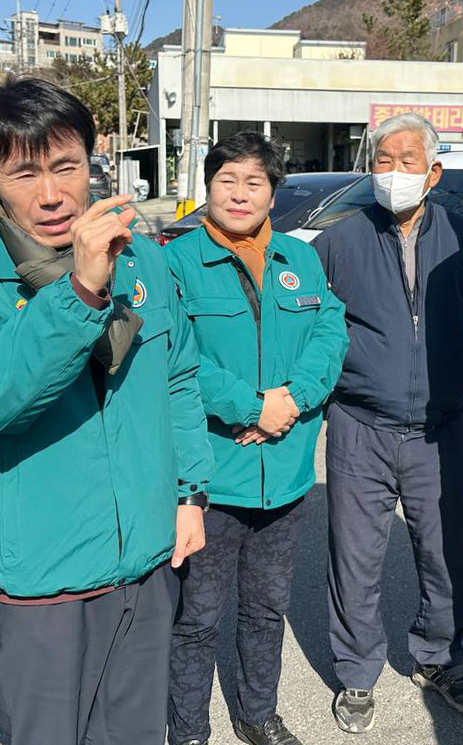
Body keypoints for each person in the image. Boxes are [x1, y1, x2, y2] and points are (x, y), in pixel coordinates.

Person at [0, 77, 212, 745]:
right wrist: (79, 289)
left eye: (66, 166)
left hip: (149, 557)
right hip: (44, 579)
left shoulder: (145, 263)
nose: (51, 194)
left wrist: (191, 494)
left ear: (92, 160)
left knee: (135, 734)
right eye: (23, 174)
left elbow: (180, 379)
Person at [165, 132, 348, 745]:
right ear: (208, 185)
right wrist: (249, 406)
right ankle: (188, 728)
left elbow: (332, 332)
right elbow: (174, 356)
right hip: (211, 477)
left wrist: (291, 401)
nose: (240, 194)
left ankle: (257, 713)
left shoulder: (301, 260)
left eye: (255, 182)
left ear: (273, 192)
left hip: (287, 472)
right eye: (227, 180)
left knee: (266, 608)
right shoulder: (175, 261)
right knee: (197, 617)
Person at [311, 112, 463, 734]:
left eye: (407, 160)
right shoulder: (339, 240)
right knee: (354, 560)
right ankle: (357, 673)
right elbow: (314, 332)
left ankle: (439, 658)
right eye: (382, 161)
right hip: (361, 425)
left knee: (447, 557)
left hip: (440, 429)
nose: (393, 172)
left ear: (434, 172)